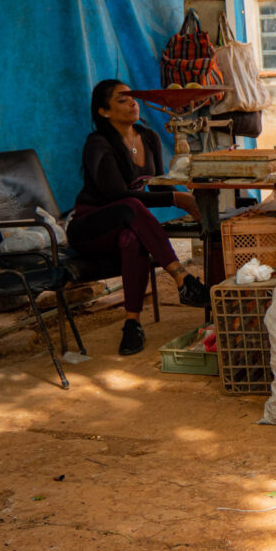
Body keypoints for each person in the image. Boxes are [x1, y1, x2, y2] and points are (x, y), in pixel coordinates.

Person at [67, 80, 210, 356]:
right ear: (104, 111)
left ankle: (132, 324)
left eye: (133, 97)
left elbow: (157, 185)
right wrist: (176, 199)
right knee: (130, 205)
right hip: (91, 226)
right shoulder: (97, 143)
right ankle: (182, 279)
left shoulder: (148, 137)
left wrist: (192, 186)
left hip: (126, 224)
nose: (133, 103)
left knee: (132, 238)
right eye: (122, 99)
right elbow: (116, 195)